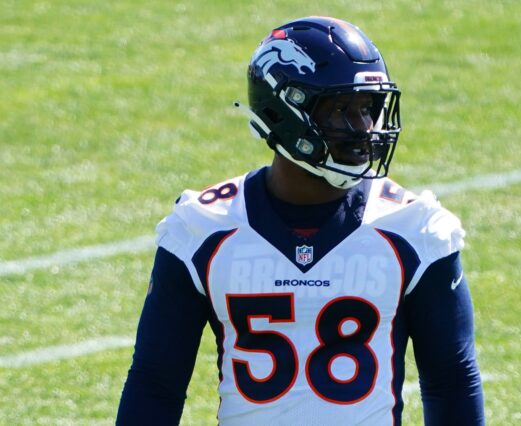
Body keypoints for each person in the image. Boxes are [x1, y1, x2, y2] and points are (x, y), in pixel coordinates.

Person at [117, 16, 484, 425]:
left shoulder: (413, 228)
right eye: (342, 109)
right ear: (283, 111)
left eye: (368, 108)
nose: (364, 129)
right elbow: (156, 383)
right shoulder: (203, 228)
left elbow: (451, 380)